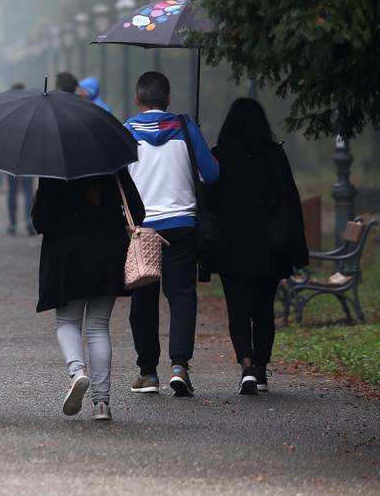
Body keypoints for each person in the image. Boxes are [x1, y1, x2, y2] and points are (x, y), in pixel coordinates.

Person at [123, 71, 219, 396]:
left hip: (143, 229)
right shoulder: (186, 127)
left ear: (138, 99)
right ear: (168, 99)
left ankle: (148, 373)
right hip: (182, 225)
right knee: (181, 296)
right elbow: (213, 174)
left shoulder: (126, 133)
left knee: (144, 300)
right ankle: (180, 365)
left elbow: (117, 183)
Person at [207, 98, 308, 394]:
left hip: (231, 244)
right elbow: (289, 198)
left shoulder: (219, 156)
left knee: (237, 308)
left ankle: (247, 364)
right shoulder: (275, 155)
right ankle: (262, 368)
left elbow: (209, 200)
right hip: (268, 243)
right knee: (264, 308)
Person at [31, 167, 144, 421]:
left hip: (67, 255)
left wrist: (38, 200)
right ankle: (101, 403)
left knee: (67, 322)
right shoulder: (112, 164)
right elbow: (138, 212)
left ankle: (78, 371)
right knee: (98, 327)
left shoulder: (54, 167)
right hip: (107, 254)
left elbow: (41, 222)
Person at [6, 82, 35, 235]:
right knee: (28, 190)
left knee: (12, 191)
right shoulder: (31, 110)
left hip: (11, 157)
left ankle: (12, 223)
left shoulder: (7, 111)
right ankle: (29, 221)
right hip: (28, 157)